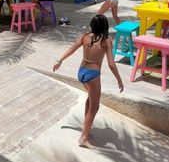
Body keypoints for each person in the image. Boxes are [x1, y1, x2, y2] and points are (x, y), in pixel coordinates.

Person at [53, 15, 124, 149]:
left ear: (92, 25)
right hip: (93, 75)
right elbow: (111, 64)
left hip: (81, 73)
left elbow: (71, 48)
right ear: (105, 27)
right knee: (95, 107)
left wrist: (59, 61)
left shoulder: (85, 36)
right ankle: (84, 138)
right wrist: (119, 80)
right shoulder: (106, 41)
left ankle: (86, 126)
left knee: (90, 100)